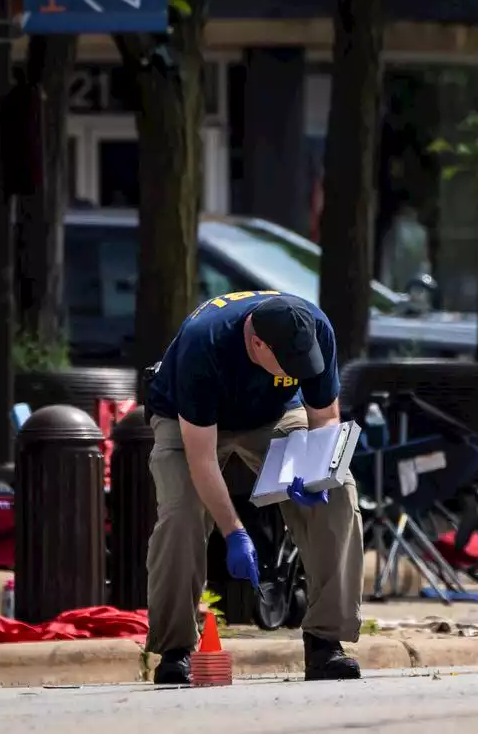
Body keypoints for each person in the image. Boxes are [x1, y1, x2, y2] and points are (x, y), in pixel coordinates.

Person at [144, 290, 364, 684]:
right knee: (181, 515)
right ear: (257, 343)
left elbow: (326, 416)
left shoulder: (315, 326)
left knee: (341, 492)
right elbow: (203, 460)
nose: (299, 371)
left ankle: (325, 643)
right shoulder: (203, 343)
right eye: (290, 364)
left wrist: (316, 468)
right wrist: (235, 532)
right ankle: (175, 649)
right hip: (187, 421)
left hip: (272, 415)